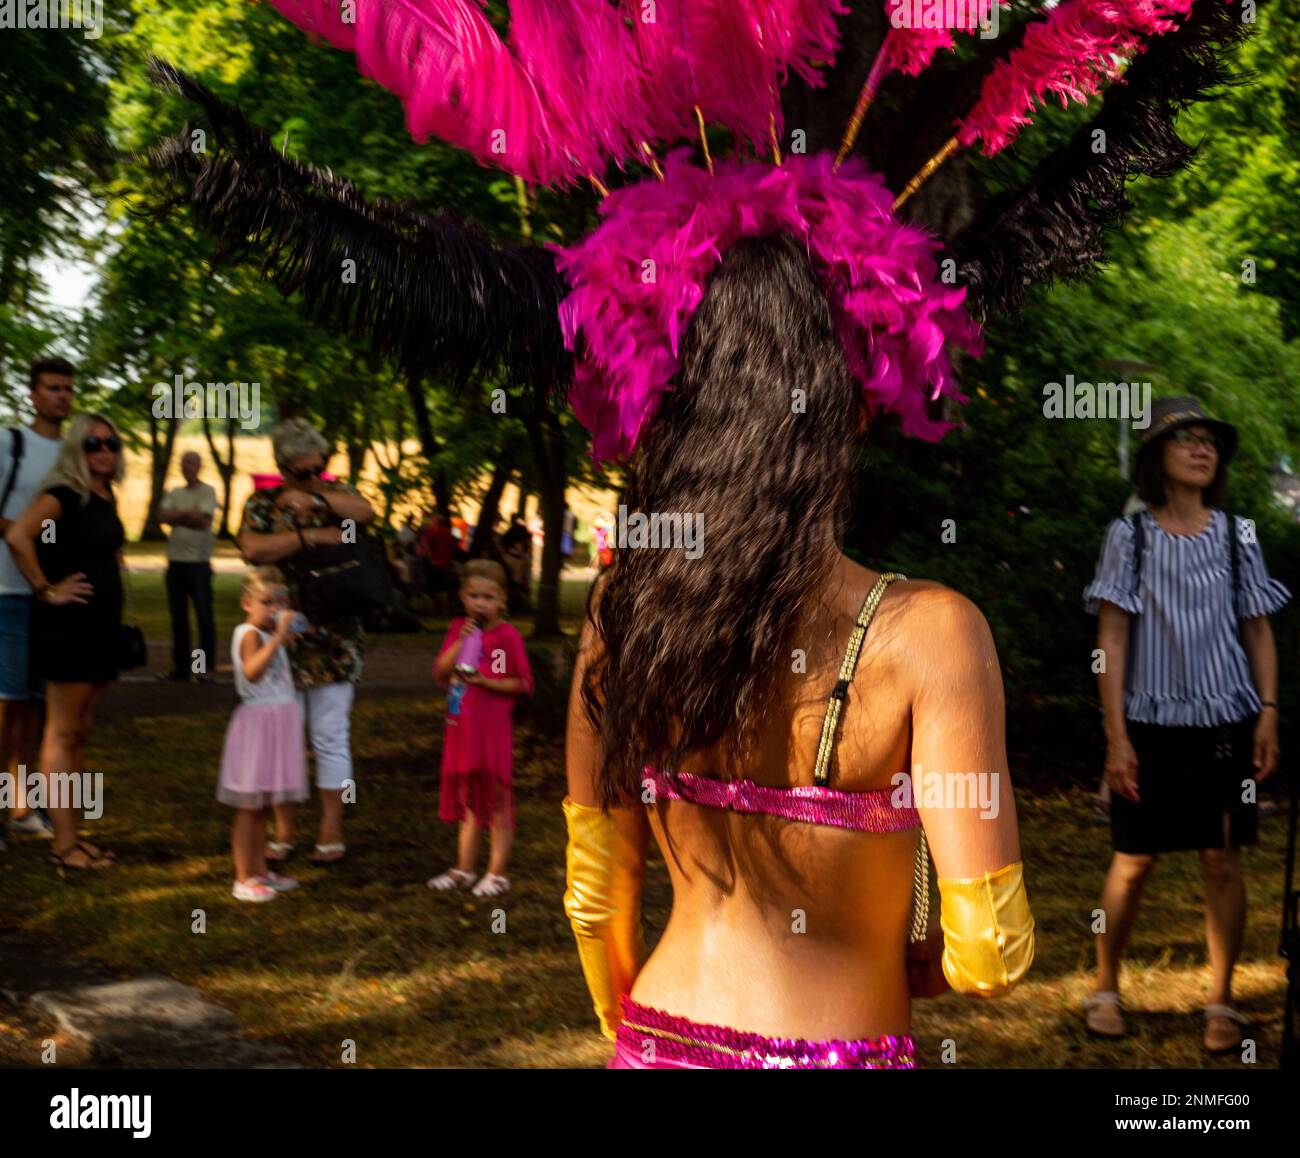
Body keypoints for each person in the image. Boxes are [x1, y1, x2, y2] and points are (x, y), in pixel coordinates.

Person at [562, 236, 1033, 1068]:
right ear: (855, 408)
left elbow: (596, 897)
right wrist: (907, 905)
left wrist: (623, 1026)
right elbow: (990, 955)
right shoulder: (932, 632)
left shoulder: (622, 609)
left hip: (656, 1036)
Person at [1082, 396, 1289, 1052]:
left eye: (1209, 442)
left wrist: (1268, 713)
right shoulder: (1130, 537)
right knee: (1133, 860)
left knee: (1222, 859)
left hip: (1227, 720)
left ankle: (1222, 1004)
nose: (1202, 449)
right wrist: (1116, 735)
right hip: (1148, 721)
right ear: (1156, 458)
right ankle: (1106, 987)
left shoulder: (1239, 534)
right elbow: (1110, 637)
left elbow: (1258, 630)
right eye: (1186, 440)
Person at [236, 418, 376, 866]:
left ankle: (330, 830)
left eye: (322, 468)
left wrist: (316, 499)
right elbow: (253, 550)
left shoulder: (339, 496)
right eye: (304, 473)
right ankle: (284, 830)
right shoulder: (262, 503)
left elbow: (366, 517)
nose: (316, 477)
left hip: (335, 636)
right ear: (283, 467)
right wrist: (309, 536)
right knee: (284, 737)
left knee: (331, 736)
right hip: (281, 641)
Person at [4, 413, 127, 871]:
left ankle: (73, 834)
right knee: (60, 733)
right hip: (69, 629)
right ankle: (64, 847)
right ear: (78, 447)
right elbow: (18, 535)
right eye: (94, 443)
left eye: (112, 443)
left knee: (79, 734)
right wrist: (45, 588)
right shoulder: (62, 496)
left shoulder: (102, 494)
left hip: (101, 628)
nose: (104, 451)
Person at [428, 559, 533, 898]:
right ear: (462, 597)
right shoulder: (459, 628)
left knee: (499, 798)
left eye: (488, 597)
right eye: (473, 596)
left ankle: (497, 872)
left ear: (502, 600)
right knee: (470, 800)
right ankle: (464, 868)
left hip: (492, 729)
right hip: (461, 726)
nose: (480, 603)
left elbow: (522, 683)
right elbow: (441, 672)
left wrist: (485, 680)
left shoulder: (507, 636)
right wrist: (460, 643)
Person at [0, 357, 72, 850]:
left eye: (68, 389)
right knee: (8, 709)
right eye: (51, 388)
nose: (61, 396)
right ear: (33, 395)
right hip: (9, 592)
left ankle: (26, 807)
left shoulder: (75, 452)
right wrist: (37, 571)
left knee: (41, 709)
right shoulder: (11, 444)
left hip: (56, 601)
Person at [219, 567, 308, 902]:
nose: (273, 609)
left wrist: (283, 635)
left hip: (279, 721)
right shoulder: (248, 633)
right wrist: (277, 638)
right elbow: (253, 672)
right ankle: (243, 877)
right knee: (249, 805)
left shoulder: (269, 634)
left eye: (279, 602)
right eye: (265, 602)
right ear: (246, 603)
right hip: (258, 725)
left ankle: (259, 870)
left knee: (264, 803)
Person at [156, 450, 219, 682]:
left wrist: (177, 516)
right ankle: (180, 668)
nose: (187, 467)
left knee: (203, 619)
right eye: (184, 463)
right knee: (178, 619)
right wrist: (186, 514)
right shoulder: (175, 491)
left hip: (198, 565)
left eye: (192, 463)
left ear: (199, 466)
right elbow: (161, 516)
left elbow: (203, 521)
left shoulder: (208, 491)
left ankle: (203, 668)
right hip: (175, 564)